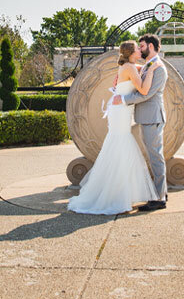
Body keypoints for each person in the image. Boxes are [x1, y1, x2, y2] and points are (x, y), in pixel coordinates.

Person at [67, 40, 160, 216]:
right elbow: (144, 89)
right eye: (137, 49)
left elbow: (141, 69)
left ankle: (119, 192)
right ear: (131, 53)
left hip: (120, 111)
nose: (140, 51)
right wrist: (153, 70)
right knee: (121, 144)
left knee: (120, 144)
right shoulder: (130, 68)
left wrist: (147, 66)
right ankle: (116, 195)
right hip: (120, 112)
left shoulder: (129, 66)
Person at [112, 33, 169, 209]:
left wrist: (123, 99)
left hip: (152, 117)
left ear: (150, 47)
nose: (140, 49)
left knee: (155, 157)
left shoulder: (158, 68)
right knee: (153, 156)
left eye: (142, 46)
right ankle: (161, 192)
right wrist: (120, 75)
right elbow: (130, 68)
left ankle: (159, 198)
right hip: (146, 117)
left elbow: (147, 93)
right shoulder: (147, 65)